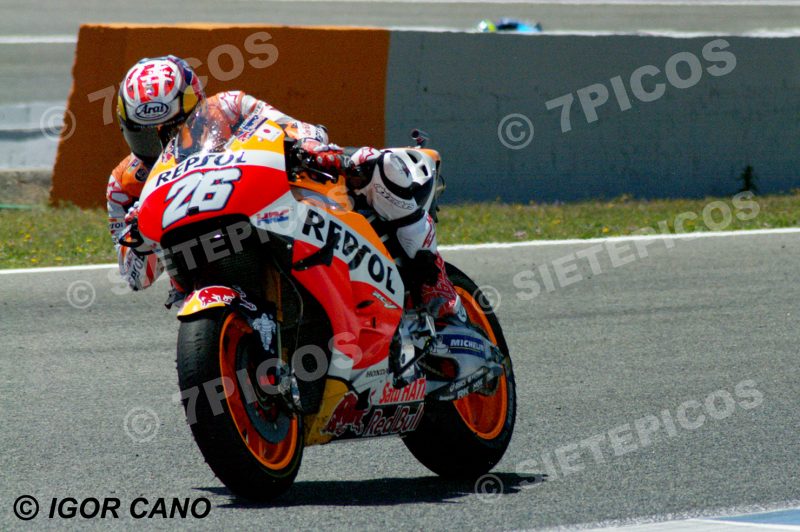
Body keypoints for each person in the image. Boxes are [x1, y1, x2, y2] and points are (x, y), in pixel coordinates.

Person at [106, 55, 460, 319]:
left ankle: (432, 277)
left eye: (171, 132)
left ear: (194, 110)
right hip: (204, 274)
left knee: (383, 167)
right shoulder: (124, 185)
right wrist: (140, 235)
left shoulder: (229, 108)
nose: (162, 148)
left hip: (274, 208)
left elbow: (297, 128)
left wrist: (310, 147)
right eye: (145, 137)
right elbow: (136, 277)